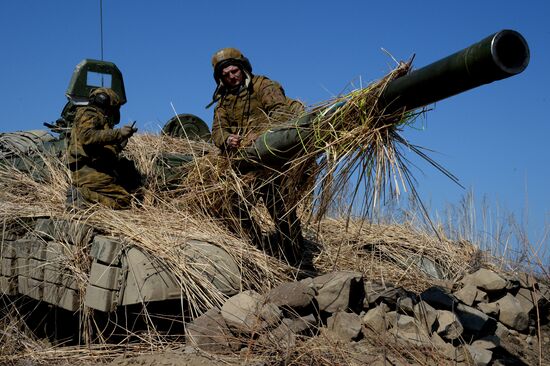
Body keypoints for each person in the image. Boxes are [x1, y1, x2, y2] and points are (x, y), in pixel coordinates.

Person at [209, 47, 304, 265]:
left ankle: (298, 261)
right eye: (225, 75)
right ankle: (259, 251)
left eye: (234, 71)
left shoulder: (263, 86)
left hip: (273, 161)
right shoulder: (223, 102)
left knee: (282, 212)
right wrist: (227, 139)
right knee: (232, 206)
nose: (231, 77)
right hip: (245, 164)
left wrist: (259, 134)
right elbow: (217, 130)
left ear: (242, 68)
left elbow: (282, 113)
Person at [66, 87, 141, 209]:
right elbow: (87, 137)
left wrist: (118, 143)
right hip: (87, 170)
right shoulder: (89, 113)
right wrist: (118, 133)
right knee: (123, 200)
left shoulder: (99, 118)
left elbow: (99, 143)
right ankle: (83, 195)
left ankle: (87, 196)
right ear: (104, 101)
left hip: (95, 169)